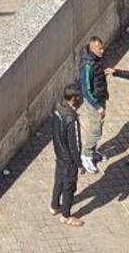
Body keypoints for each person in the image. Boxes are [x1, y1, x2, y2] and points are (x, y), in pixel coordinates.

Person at [49, 84, 85, 228]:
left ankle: (54, 205)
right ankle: (66, 215)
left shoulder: (57, 108)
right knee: (69, 186)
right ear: (74, 99)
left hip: (59, 153)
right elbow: (74, 144)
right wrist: (79, 164)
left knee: (58, 181)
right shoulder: (72, 119)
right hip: (69, 159)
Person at [77, 35, 109, 172]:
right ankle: (86, 155)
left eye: (102, 48)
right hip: (94, 101)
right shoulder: (88, 65)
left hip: (100, 97)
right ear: (92, 48)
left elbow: (95, 79)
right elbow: (86, 89)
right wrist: (97, 106)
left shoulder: (96, 60)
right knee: (95, 130)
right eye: (100, 49)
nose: (102, 51)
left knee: (98, 125)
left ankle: (92, 151)